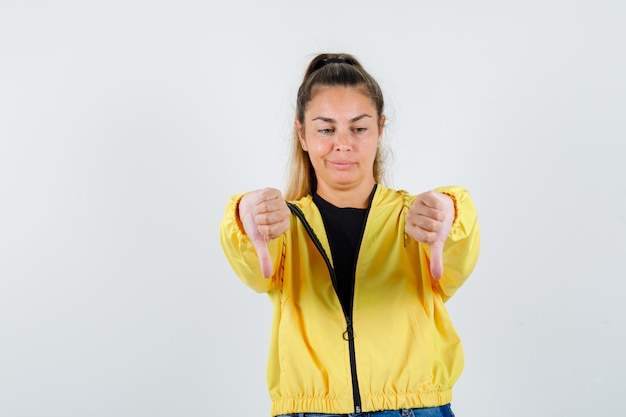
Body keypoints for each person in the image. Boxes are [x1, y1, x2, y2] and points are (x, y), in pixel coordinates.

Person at [220, 53, 480, 417]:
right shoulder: (283, 228)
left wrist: (450, 217)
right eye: (326, 129)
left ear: (380, 129)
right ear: (302, 134)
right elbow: (252, 266)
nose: (342, 144)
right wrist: (245, 218)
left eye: (358, 128)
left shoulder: (416, 221)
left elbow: (455, 254)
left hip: (413, 409)